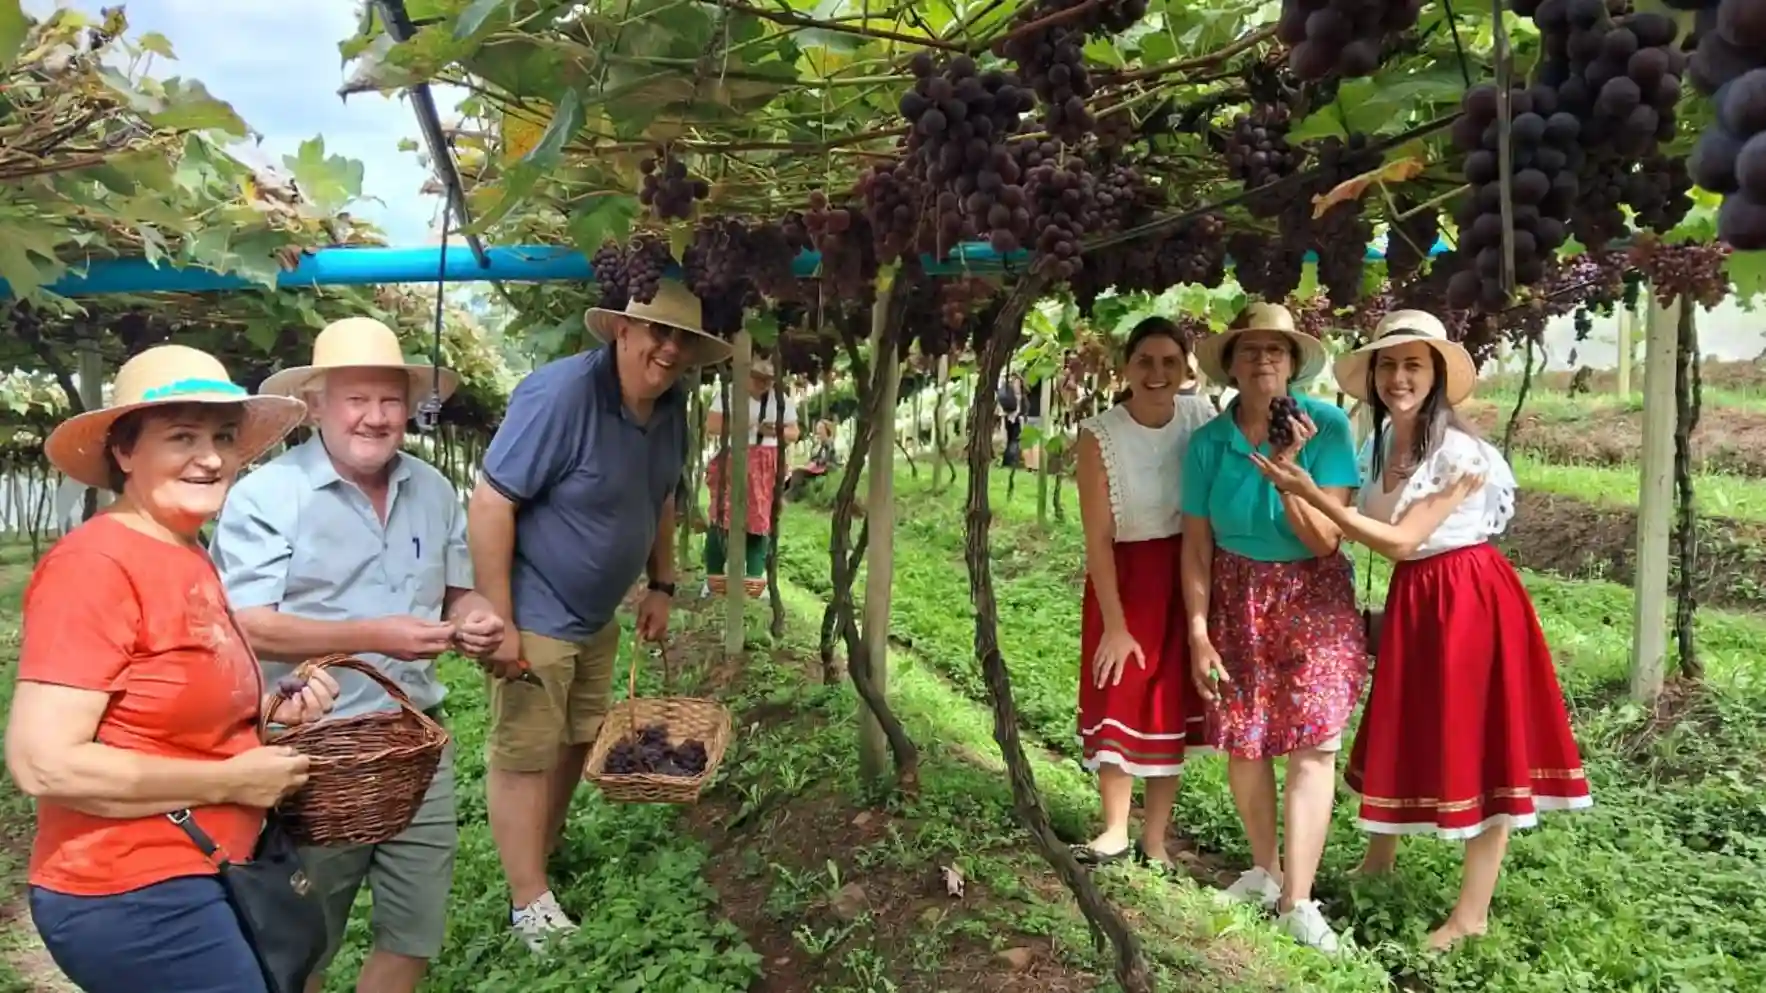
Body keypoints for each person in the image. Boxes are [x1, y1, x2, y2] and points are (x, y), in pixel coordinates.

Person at [1250, 310, 1592, 951]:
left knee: (1478, 737)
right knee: (1406, 716)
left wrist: (1311, 492)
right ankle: (1380, 857)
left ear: (1435, 375)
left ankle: (1472, 913)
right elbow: (1333, 534)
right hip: (1421, 597)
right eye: (1387, 364)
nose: (1398, 377)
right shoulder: (1378, 446)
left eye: (1413, 365)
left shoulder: (1458, 453)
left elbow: (1404, 541)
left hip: (1467, 597)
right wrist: (1296, 470)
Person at [5, 345, 339, 993]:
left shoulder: (186, 552)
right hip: (131, 889)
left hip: (208, 870)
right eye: (181, 436)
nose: (210, 456)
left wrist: (267, 712)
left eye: (222, 436)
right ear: (125, 451)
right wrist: (232, 780)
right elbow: (42, 761)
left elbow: (161, 709)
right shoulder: (95, 566)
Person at [210, 318, 506, 992]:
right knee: (301, 943)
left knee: (415, 932)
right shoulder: (267, 497)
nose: (375, 417)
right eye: (356, 399)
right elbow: (247, 626)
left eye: (390, 400)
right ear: (316, 406)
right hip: (309, 755)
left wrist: (477, 618)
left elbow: (460, 594)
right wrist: (377, 635)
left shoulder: (432, 490)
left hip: (415, 749)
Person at [467, 279, 730, 950]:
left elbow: (662, 493)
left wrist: (663, 582)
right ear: (621, 329)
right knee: (526, 750)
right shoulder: (560, 397)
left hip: (595, 614)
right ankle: (527, 901)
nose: (668, 350)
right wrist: (498, 617)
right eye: (657, 332)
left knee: (578, 737)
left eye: (682, 339)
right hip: (536, 608)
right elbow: (492, 502)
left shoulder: (671, 407)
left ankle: (540, 862)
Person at [1179, 302, 1365, 953]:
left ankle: (1298, 898)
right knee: (1246, 739)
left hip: (1312, 597)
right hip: (1236, 594)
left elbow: (1324, 541)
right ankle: (1265, 869)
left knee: (1314, 744)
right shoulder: (1208, 443)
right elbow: (1196, 547)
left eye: (1276, 351)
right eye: (1251, 351)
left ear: (1293, 363)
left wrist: (1291, 472)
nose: (1264, 361)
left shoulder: (1330, 427)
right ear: (1231, 365)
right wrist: (1199, 630)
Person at [1071, 318, 1216, 869]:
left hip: (1186, 573)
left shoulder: (1201, 419)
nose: (1157, 374)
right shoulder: (1100, 435)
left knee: (1167, 702)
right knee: (1120, 689)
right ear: (1125, 368)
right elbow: (1099, 538)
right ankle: (1114, 829)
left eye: (1169, 363)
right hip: (1126, 578)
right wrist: (1115, 623)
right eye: (1145, 362)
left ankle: (1155, 840)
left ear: (1186, 368)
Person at [703, 355, 798, 595]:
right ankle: (714, 579)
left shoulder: (781, 400)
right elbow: (713, 426)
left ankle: (753, 581)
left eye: (767, 379)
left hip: (767, 464)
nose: (762, 383)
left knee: (760, 519)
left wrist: (774, 430)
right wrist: (748, 424)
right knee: (722, 516)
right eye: (757, 378)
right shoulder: (730, 394)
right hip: (734, 458)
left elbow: (794, 432)